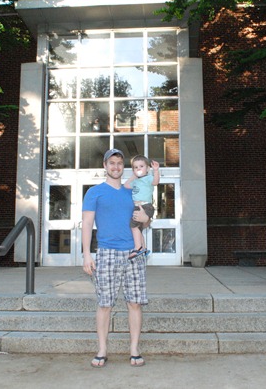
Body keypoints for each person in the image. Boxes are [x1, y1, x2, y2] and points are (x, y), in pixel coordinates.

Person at [82, 148, 150, 369]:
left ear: (124, 167)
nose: (116, 167)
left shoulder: (132, 191)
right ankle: (102, 350)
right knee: (105, 304)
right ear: (105, 166)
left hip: (133, 253)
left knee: (135, 303)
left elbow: (144, 220)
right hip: (107, 252)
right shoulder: (94, 192)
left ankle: (134, 349)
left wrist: (146, 218)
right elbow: (87, 224)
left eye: (119, 163)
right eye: (112, 163)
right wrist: (86, 254)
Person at [124, 155, 159, 258]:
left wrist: (155, 170)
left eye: (141, 166)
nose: (138, 169)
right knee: (138, 229)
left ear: (147, 168)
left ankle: (138, 248)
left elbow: (156, 182)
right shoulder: (135, 181)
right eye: (136, 167)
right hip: (138, 206)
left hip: (145, 206)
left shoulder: (148, 178)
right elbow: (126, 185)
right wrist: (134, 175)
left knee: (133, 226)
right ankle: (143, 248)